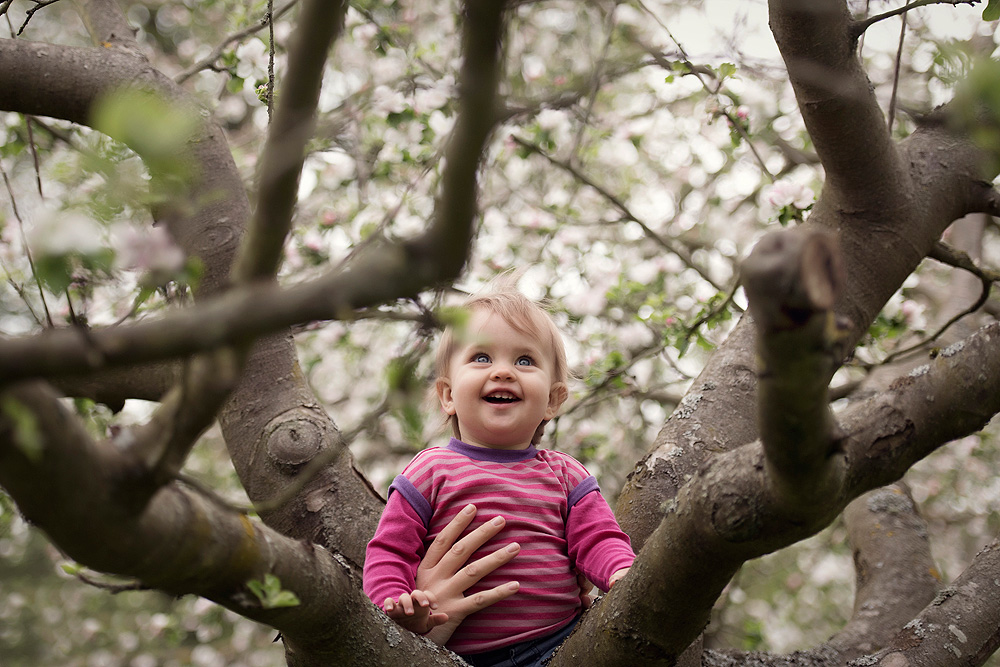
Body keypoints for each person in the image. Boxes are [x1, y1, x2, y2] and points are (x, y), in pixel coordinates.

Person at [363, 283, 636, 666]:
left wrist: (624, 573)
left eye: (525, 361)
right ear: (448, 395)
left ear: (553, 400)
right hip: (455, 654)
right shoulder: (428, 471)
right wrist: (395, 604)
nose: (504, 371)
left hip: (558, 646)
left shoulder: (564, 474)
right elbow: (390, 550)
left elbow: (598, 538)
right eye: (481, 358)